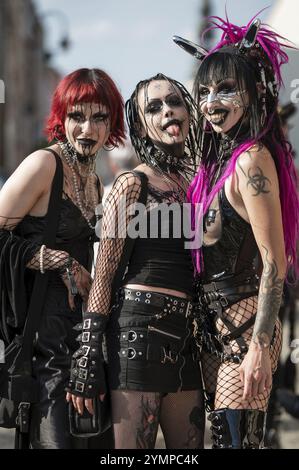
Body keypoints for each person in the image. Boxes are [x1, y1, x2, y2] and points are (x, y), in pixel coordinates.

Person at [174, 16, 299, 448]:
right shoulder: (213, 169)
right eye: (204, 92)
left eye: (225, 89)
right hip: (210, 329)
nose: (210, 102)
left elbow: (274, 263)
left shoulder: (252, 160)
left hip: (245, 333)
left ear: (255, 93)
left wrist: (260, 348)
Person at [67, 73, 205, 449]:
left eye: (175, 101)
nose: (168, 111)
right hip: (136, 336)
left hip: (186, 339)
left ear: (189, 112)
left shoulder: (198, 184)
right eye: (154, 107)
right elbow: (105, 272)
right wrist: (88, 354)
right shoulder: (132, 184)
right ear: (141, 124)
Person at [0, 68, 125, 448]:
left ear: (112, 123)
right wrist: (60, 261)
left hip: (81, 341)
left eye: (98, 117)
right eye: (77, 116)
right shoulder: (44, 165)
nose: (87, 129)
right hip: (43, 347)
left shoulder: (93, 177)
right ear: (61, 118)